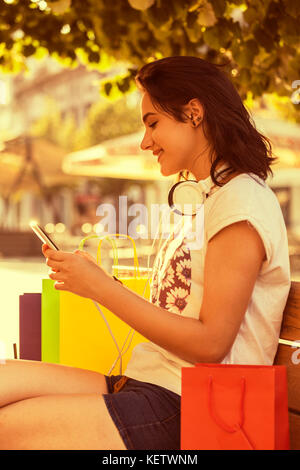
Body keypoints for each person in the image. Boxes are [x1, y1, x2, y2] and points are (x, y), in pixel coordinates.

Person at [0, 56, 291, 450]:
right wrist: (99, 281)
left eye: (153, 123)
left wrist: (102, 289)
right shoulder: (210, 197)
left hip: (190, 404)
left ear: (193, 113)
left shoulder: (240, 202)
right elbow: (180, 309)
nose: (145, 141)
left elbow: (211, 344)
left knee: (7, 429)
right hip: (149, 383)